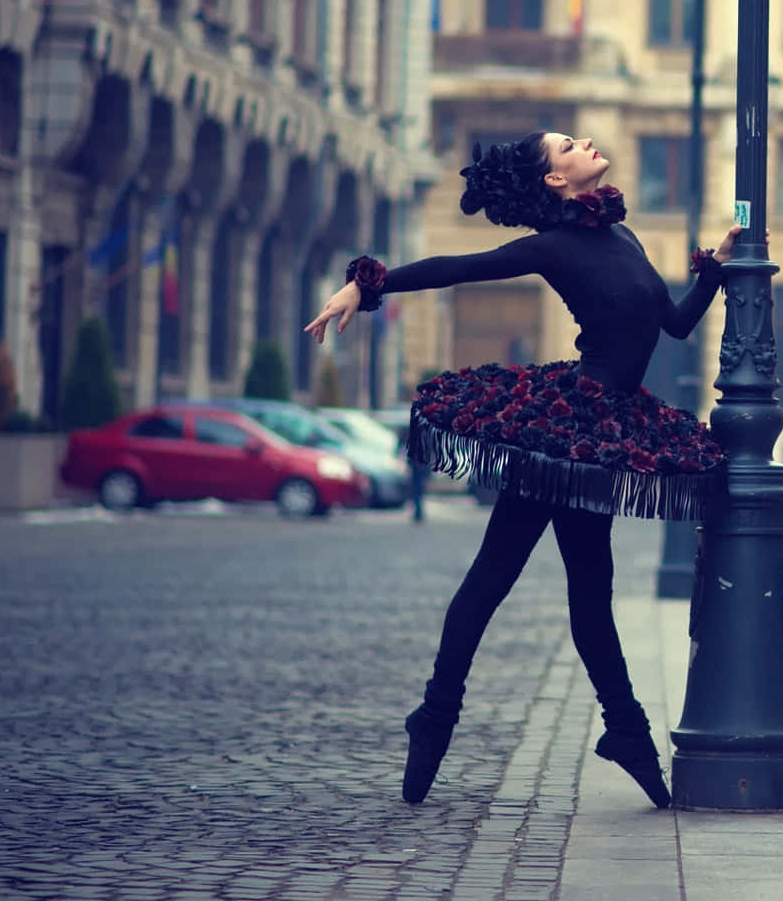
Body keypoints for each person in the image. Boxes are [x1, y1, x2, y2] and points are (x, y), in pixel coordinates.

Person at [306, 132, 751, 809]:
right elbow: (459, 267)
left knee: (589, 589)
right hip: (560, 435)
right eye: (569, 144)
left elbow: (676, 326)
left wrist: (715, 269)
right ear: (552, 180)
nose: (588, 141)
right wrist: (364, 289)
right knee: (495, 576)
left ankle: (623, 732)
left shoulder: (623, 236)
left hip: (600, 429)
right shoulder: (553, 247)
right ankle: (438, 718)